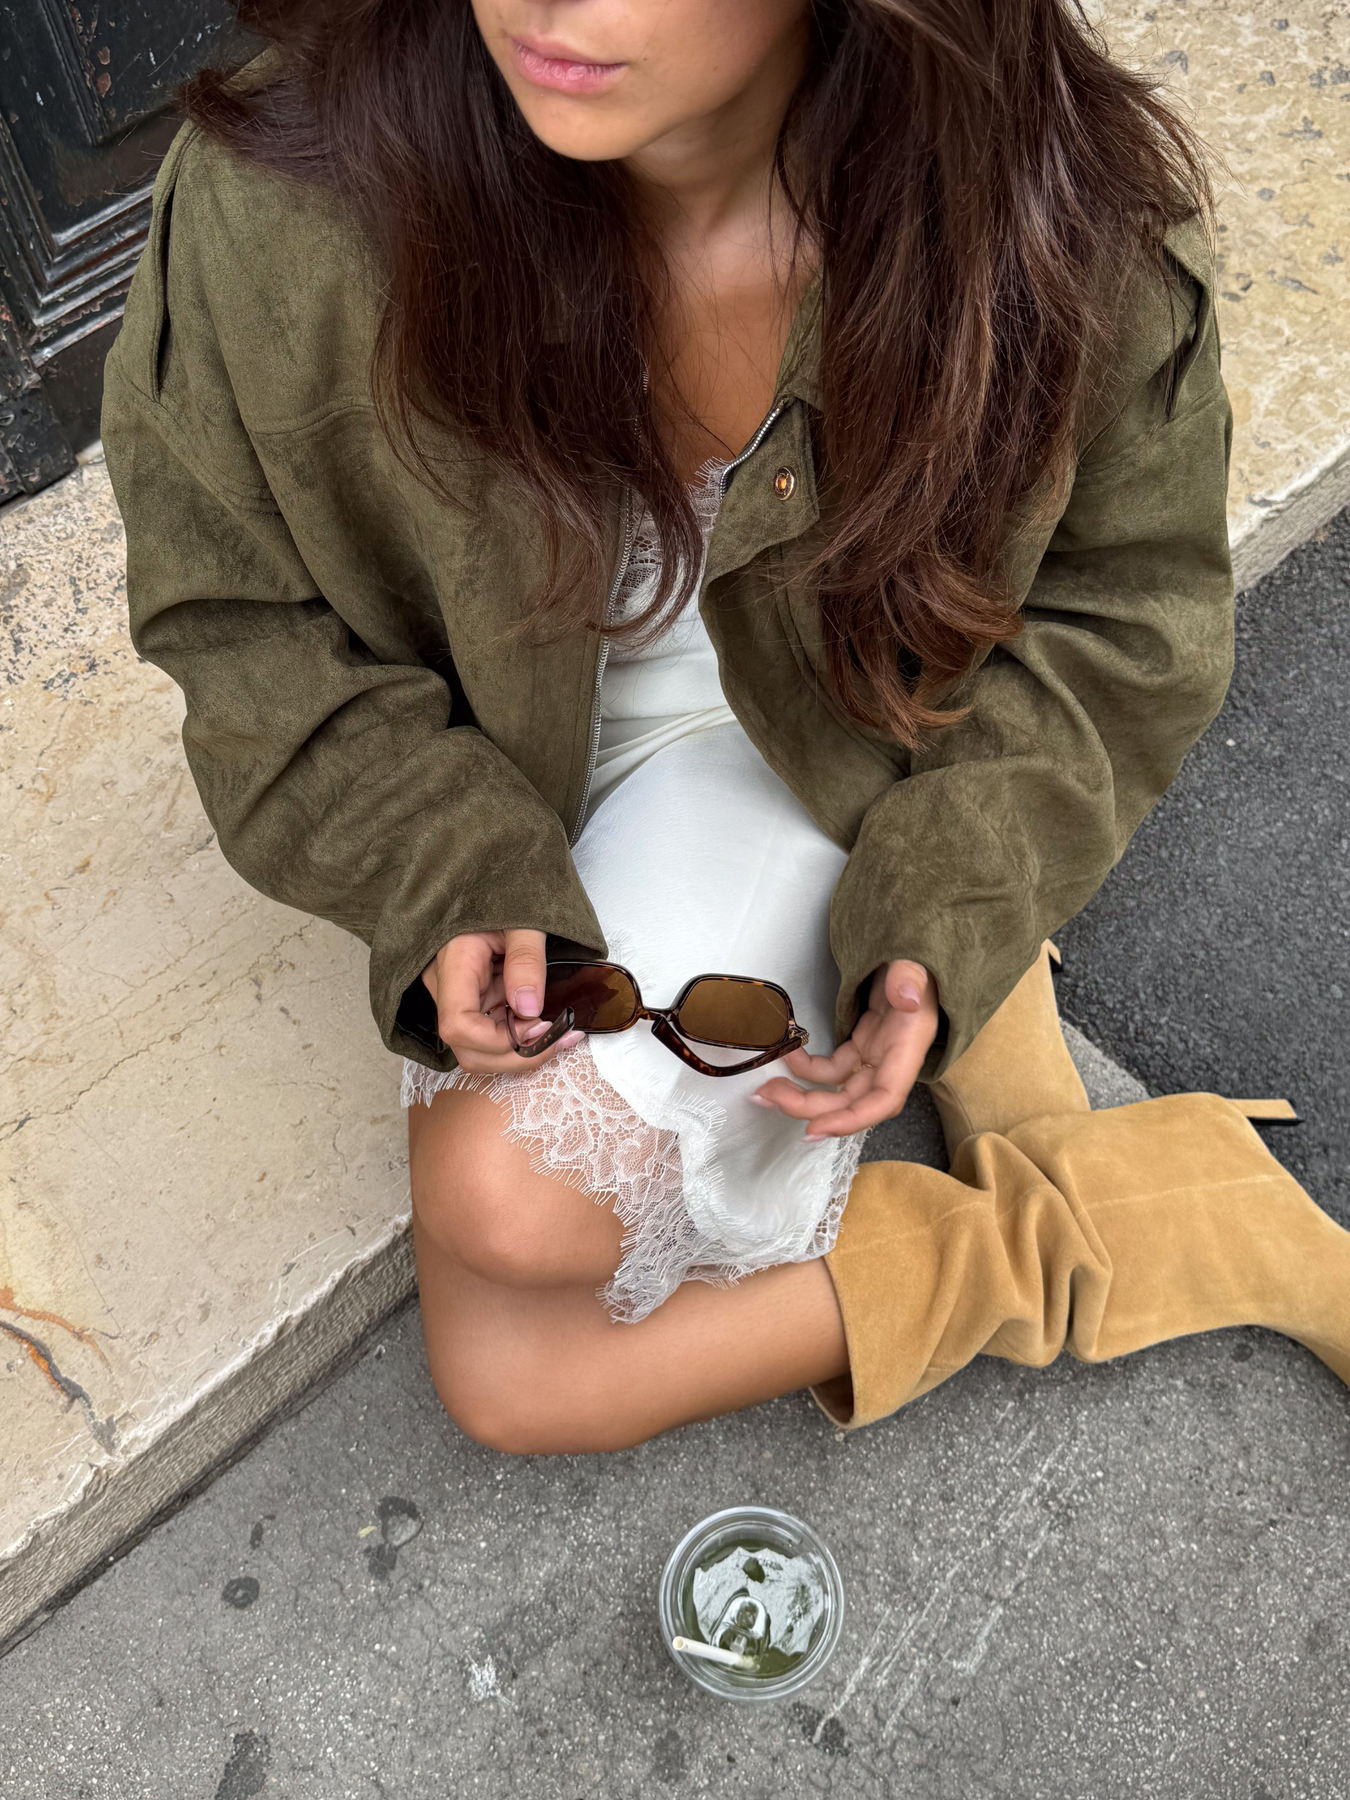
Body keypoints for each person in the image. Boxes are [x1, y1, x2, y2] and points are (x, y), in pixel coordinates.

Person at [103, 0, 1350, 1456]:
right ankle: (1104, 1214)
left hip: (831, 727)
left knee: (510, 1242)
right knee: (516, 1378)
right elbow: (240, 614)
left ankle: (1111, 1196)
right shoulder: (287, 189)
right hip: (499, 735)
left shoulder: (1046, 214)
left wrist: (953, 879)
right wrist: (439, 861)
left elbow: (1122, 623)